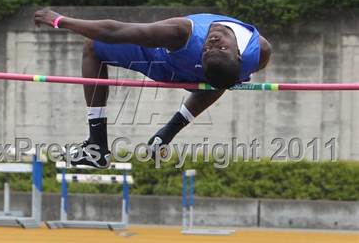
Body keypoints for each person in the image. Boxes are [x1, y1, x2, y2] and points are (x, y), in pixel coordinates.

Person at [34, 9, 271, 168]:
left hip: (178, 68)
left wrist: (59, 20)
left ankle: (113, 143)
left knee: (222, 78)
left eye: (216, 49)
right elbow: (116, 32)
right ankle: (121, 142)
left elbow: (115, 32)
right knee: (222, 76)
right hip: (176, 66)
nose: (213, 44)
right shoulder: (256, 51)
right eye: (211, 50)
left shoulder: (185, 33)